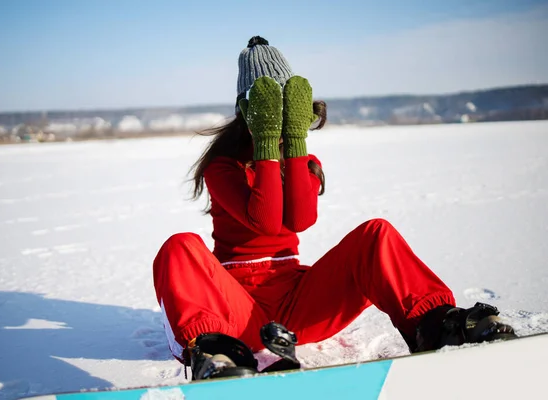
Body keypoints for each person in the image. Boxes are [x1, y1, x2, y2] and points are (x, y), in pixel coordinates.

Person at [153, 36, 515, 380]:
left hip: (299, 305)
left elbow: (300, 219)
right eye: (268, 110)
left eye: (285, 110)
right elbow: (262, 221)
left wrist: (292, 143)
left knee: (376, 234)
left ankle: (439, 326)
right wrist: (264, 143)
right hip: (234, 311)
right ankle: (216, 356)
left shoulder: (304, 160)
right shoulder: (223, 166)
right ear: (248, 113)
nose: (277, 119)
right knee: (180, 246)